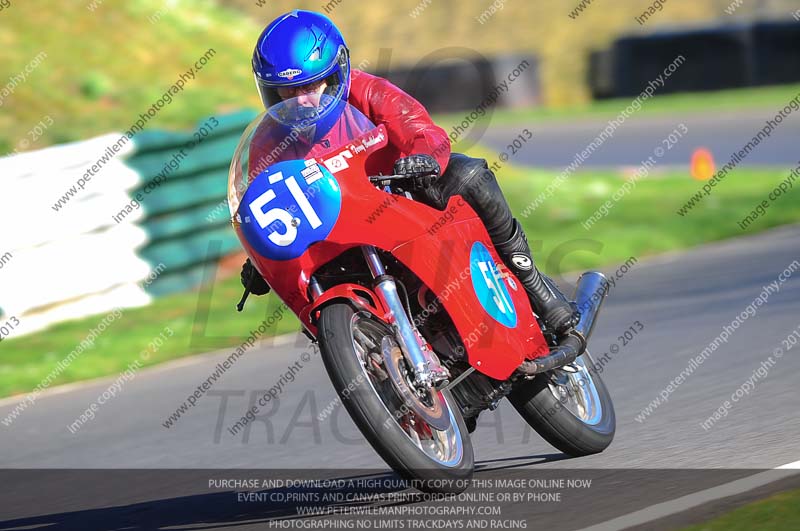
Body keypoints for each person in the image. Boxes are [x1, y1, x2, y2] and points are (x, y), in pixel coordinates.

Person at [240, 9, 578, 336]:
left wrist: (422, 158)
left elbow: (419, 129)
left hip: (400, 200)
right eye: (287, 91)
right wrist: (260, 258)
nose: (300, 101)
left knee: (467, 175)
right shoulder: (268, 142)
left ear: (335, 75)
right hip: (337, 238)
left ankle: (534, 285)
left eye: (310, 87)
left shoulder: (367, 91)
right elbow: (266, 199)